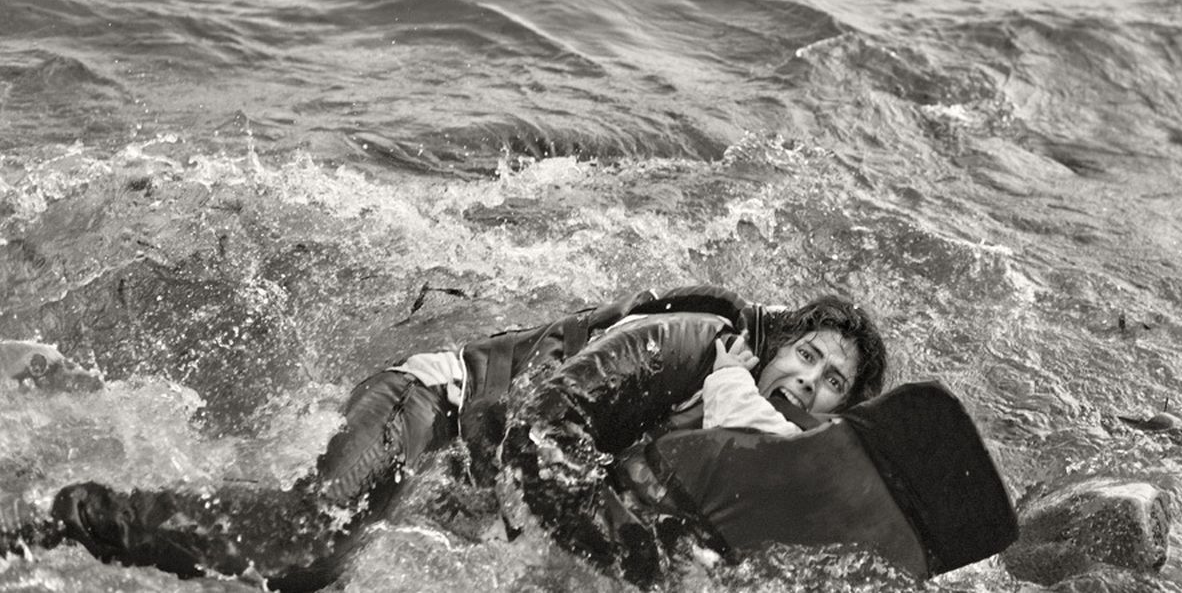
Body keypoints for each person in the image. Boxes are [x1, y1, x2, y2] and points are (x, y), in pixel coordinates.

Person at [3, 285, 896, 589]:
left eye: (831, 383)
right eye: (806, 355)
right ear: (775, 346)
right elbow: (542, 429)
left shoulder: (759, 457)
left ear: (835, 415)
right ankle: (63, 516)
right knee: (307, 547)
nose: (807, 380)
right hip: (433, 405)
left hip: (471, 486)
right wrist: (634, 560)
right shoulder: (691, 345)